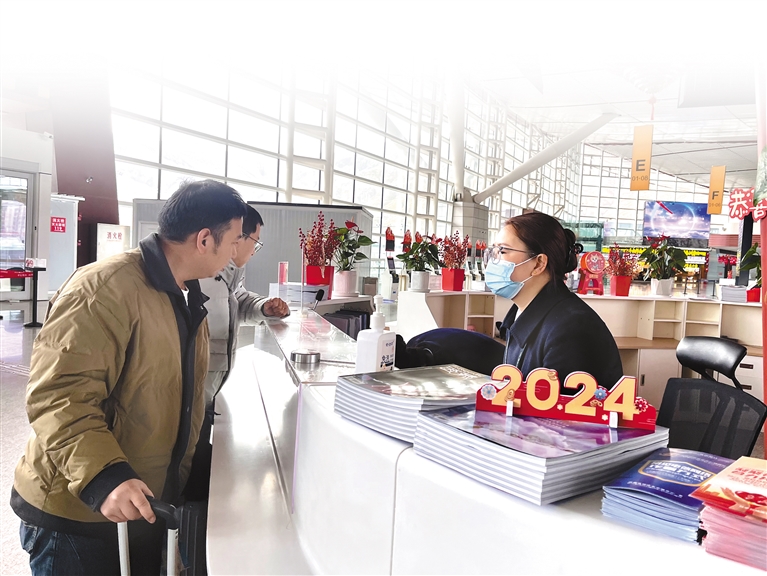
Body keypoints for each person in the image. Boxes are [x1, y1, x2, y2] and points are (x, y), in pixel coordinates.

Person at [10, 179, 248, 575]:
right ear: (205, 239)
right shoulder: (103, 289)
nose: (236, 252)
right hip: (81, 512)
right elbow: (59, 396)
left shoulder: (185, 294)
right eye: (236, 240)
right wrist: (105, 476)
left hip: (137, 507)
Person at [185, 205, 289, 502]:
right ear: (236, 237)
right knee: (191, 466)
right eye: (253, 241)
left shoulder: (230, 273)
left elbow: (236, 299)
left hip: (212, 390)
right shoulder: (200, 275)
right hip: (194, 391)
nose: (253, 250)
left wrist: (263, 307)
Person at [484, 212, 623, 392]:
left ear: (538, 263)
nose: (493, 260)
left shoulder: (571, 328)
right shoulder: (523, 314)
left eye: (503, 251)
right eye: (494, 250)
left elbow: (562, 406)